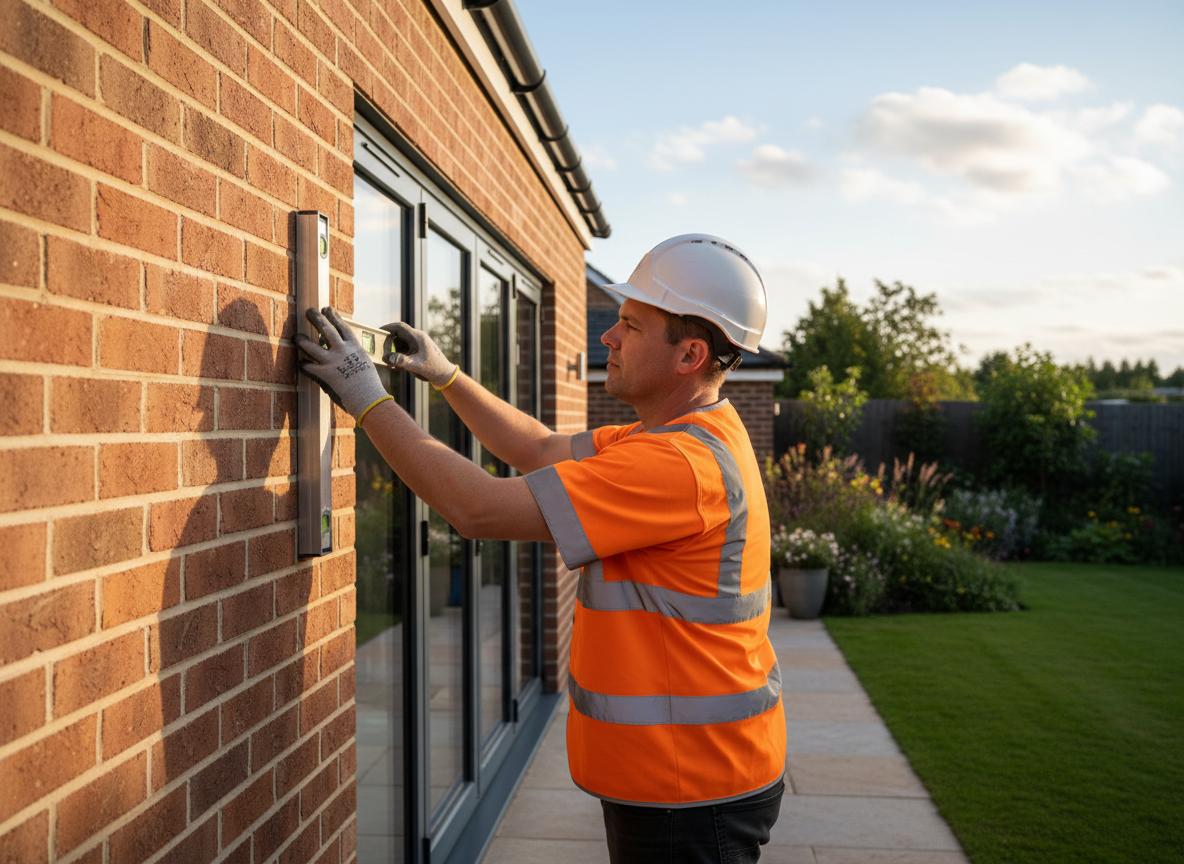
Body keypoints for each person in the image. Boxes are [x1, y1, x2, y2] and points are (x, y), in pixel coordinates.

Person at [296, 233, 785, 863]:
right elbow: (540, 449)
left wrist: (368, 399)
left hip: (693, 784)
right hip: (687, 771)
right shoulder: (675, 435)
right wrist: (448, 377)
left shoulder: (677, 464)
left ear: (690, 354)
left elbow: (478, 508)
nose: (608, 336)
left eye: (630, 325)